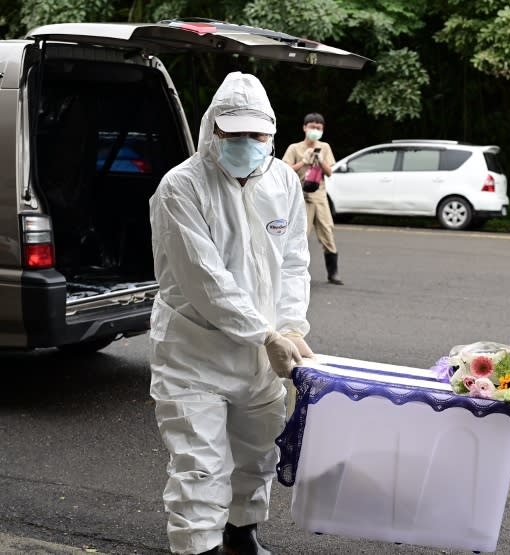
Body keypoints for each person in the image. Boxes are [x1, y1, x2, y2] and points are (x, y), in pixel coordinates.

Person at [148, 71, 314, 555]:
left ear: (272, 133)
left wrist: (288, 326)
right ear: (212, 131)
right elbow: (207, 281)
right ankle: (198, 547)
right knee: (200, 464)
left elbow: (294, 261)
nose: (246, 143)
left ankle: (241, 536)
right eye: (233, 132)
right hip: (193, 352)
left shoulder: (282, 179)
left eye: (256, 134)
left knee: (257, 453)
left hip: (260, 357)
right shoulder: (180, 187)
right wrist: (266, 335)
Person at [282, 113, 344, 285]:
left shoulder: (325, 147)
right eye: (312, 127)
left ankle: (333, 273)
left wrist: (320, 159)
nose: (315, 130)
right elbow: (285, 171)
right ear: (304, 128)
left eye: (319, 128)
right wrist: (303, 161)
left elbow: (330, 172)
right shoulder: (295, 148)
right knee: (300, 235)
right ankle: (294, 272)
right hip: (301, 197)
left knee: (327, 231)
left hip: (320, 197)